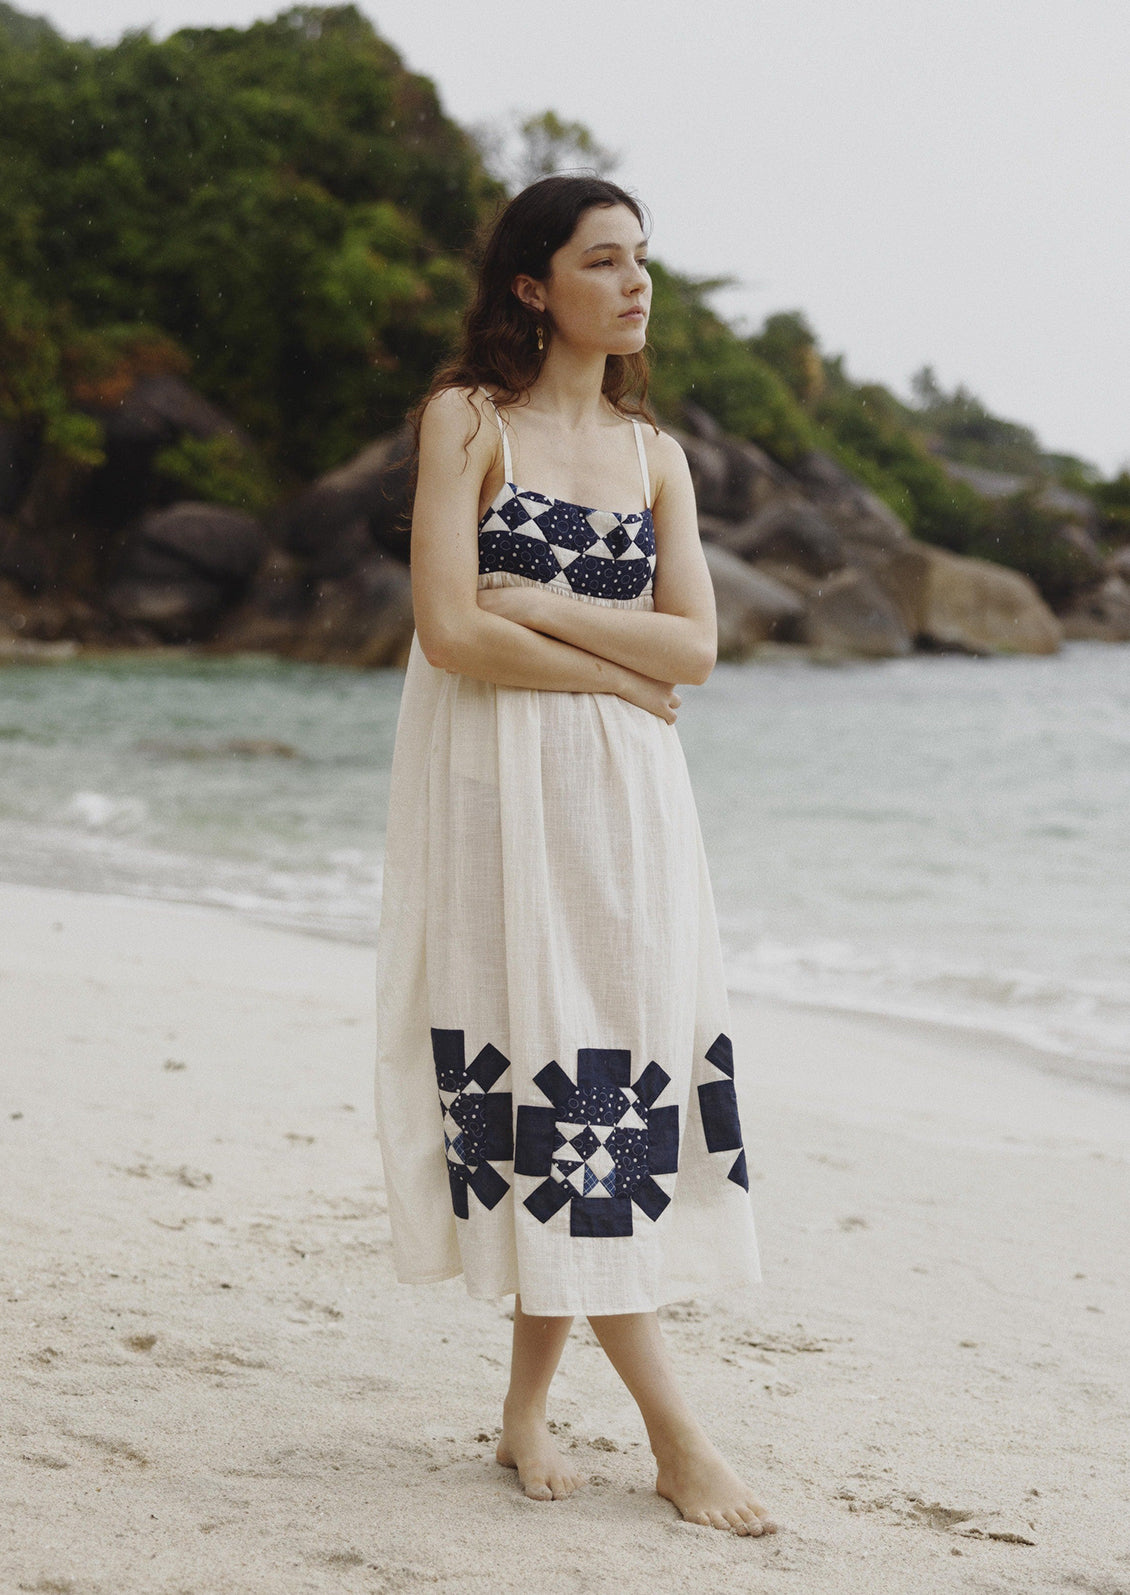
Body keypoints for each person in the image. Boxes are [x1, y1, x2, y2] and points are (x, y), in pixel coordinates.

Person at [374, 174, 775, 1537]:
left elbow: (699, 651)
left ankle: (524, 1412)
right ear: (533, 287)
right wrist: (612, 668)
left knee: (607, 1071)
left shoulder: (653, 454)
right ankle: (677, 1438)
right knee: (553, 1069)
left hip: (633, 805)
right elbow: (446, 633)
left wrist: (538, 598)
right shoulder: (466, 423)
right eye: (602, 261)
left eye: (641, 261)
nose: (634, 284)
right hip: (497, 791)